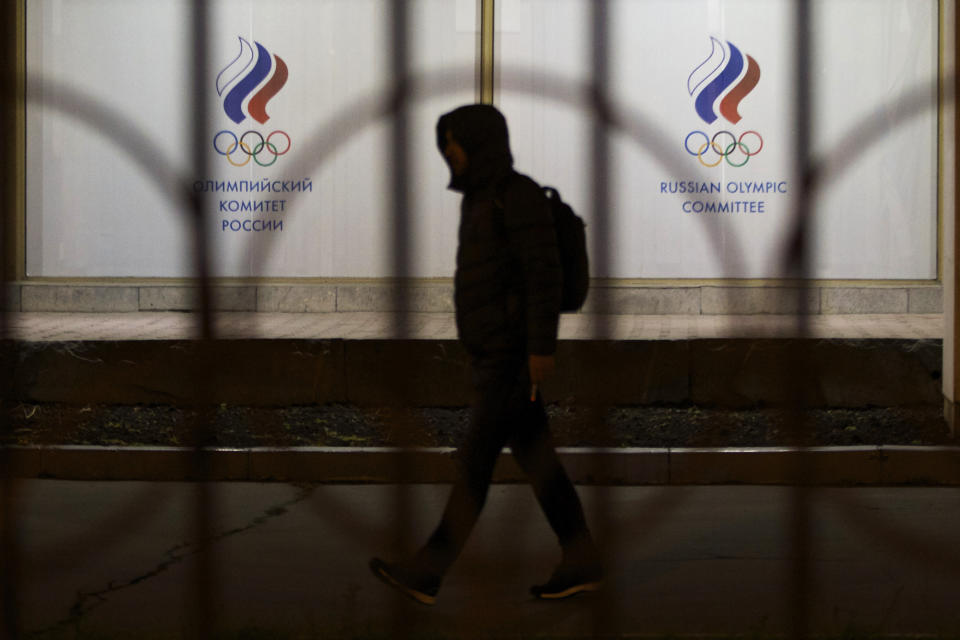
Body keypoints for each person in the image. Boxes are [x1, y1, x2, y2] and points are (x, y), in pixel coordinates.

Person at [370, 104, 601, 605]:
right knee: (541, 465)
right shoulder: (479, 200)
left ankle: (428, 572)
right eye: (444, 141)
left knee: (474, 464)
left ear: (478, 141)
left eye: (453, 140)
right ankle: (582, 561)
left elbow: (543, 276)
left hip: (514, 359)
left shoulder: (514, 196)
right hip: (494, 355)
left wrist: (541, 349)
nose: (446, 151)